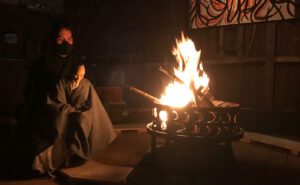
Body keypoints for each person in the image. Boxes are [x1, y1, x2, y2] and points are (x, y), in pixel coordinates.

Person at [32, 64, 116, 174]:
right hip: (63, 114)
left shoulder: (86, 84)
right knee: (59, 126)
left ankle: (75, 156)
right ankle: (54, 161)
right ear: (71, 73)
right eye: (77, 75)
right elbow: (56, 102)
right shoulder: (62, 83)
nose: (79, 78)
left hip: (80, 114)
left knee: (82, 121)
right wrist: (69, 110)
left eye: (82, 75)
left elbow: (90, 104)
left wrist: (80, 112)